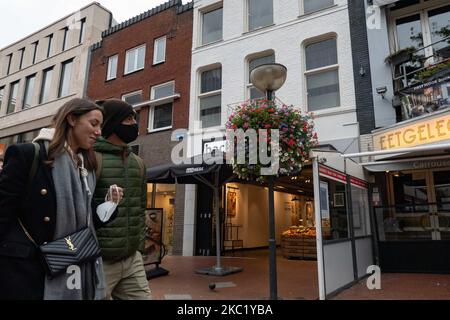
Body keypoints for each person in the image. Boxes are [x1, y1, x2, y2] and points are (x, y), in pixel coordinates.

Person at [0, 98, 122, 300]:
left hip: (73, 264)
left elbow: (88, 222)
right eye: (93, 124)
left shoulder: (87, 168)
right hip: (28, 273)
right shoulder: (29, 154)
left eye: (101, 126)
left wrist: (110, 205)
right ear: (72, 119)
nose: (99, 132)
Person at [93, 99, 151, 300]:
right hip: (100, 260)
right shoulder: (91, 158)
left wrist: (138, 249)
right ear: (113, 122)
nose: (134, 124)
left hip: (131, 259)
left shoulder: (139, 163)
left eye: (134, 118)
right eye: (128, 119)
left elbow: (141, 207)